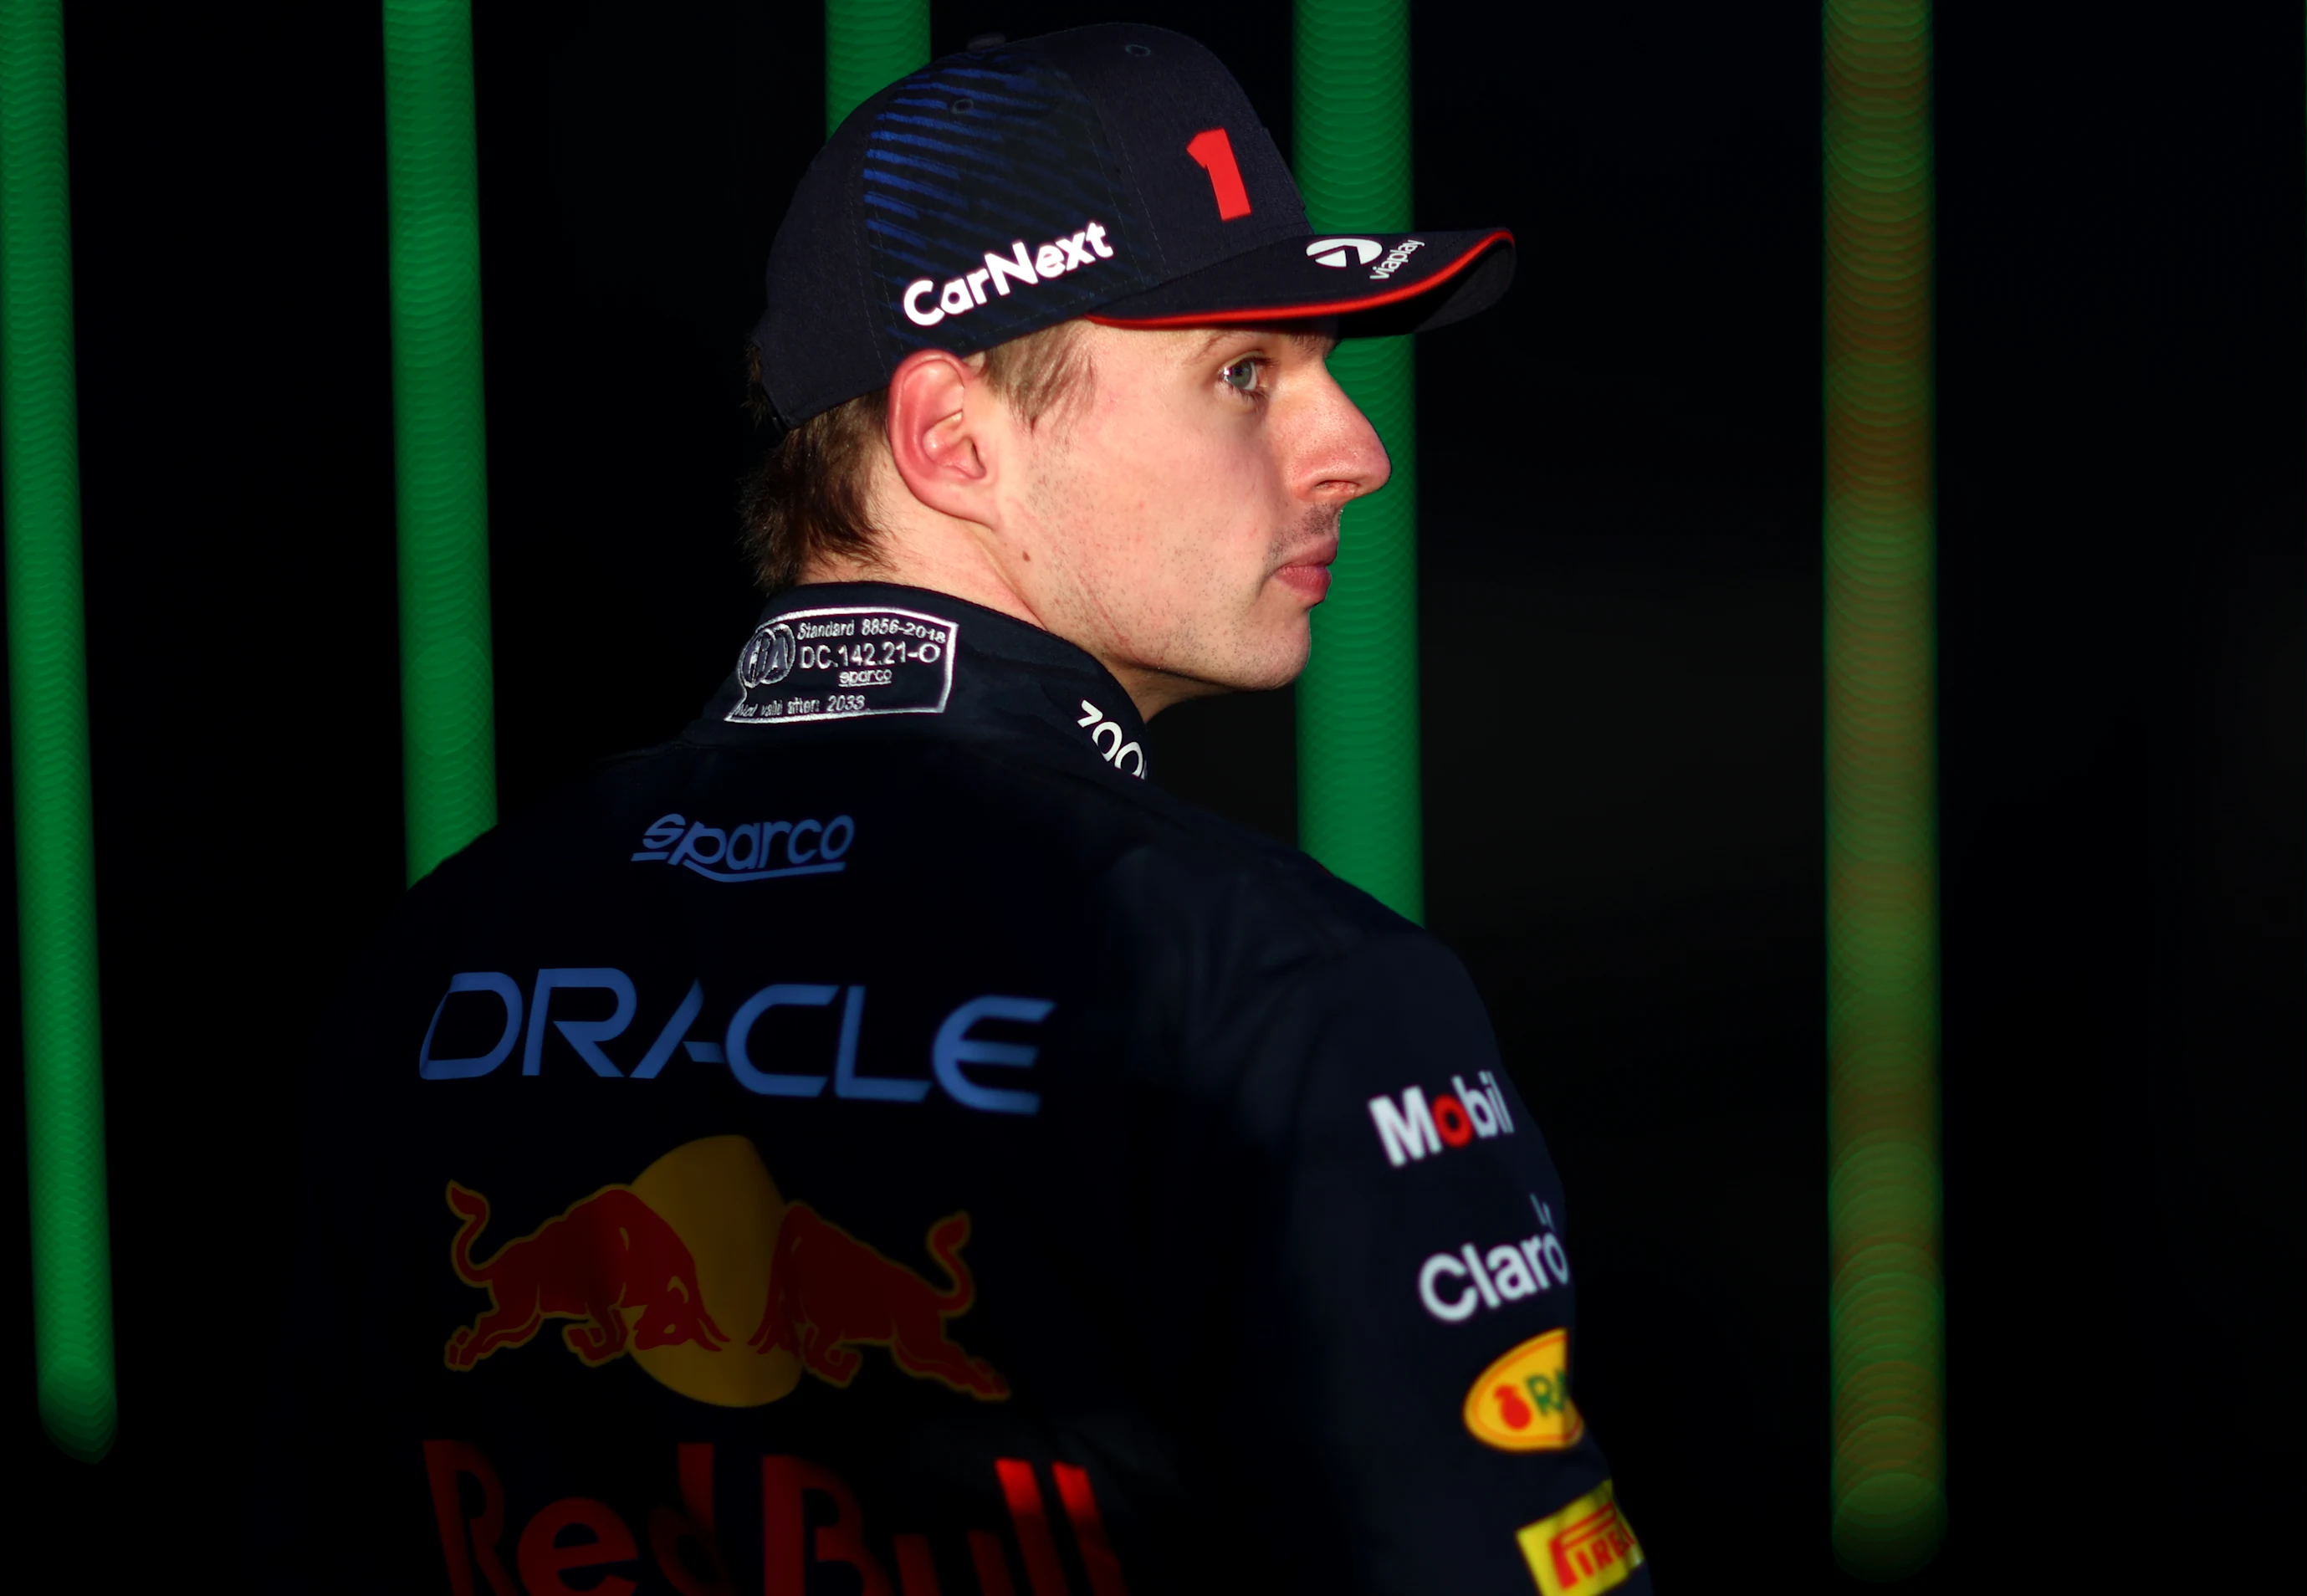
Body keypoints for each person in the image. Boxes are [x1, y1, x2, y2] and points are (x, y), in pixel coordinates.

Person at [272, 23, 1648, 1596]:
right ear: (950, 437)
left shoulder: (440, 951)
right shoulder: (1285, 995)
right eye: (1247, 372)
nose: (1358, 452)